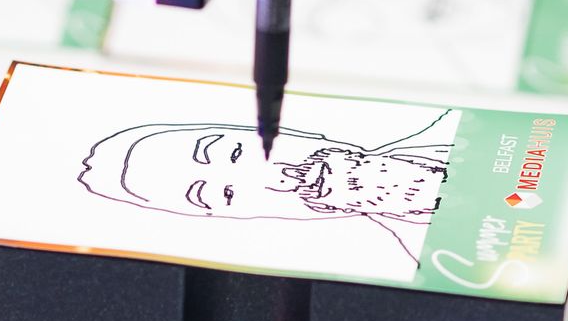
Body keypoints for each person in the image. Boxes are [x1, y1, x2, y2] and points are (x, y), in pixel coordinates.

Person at [77, 108, 456, 258]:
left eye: (237, 153)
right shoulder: (442, 261)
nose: (280, 178)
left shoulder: (459, 120)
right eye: (226, 193)